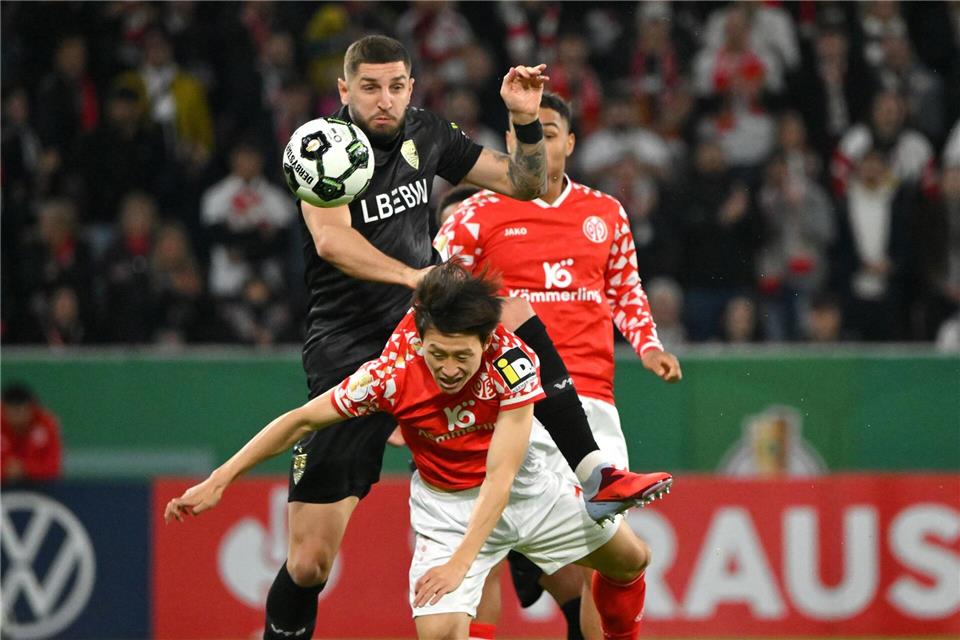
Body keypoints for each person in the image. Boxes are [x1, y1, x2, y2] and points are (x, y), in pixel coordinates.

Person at [242, 35, 665, 639]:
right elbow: (333, 242)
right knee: (310, 563)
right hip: (351, 348)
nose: (383, 100)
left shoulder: (427, 133)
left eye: (395, 86)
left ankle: (592, 469)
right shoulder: (323, 147)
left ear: (411, 87)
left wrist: (522, 117)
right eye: (368, 88)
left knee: (513, 312)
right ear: (343, 91)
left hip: (430, 326)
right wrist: (415, 275)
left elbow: (525, 183)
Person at [165, 263, 667, 640]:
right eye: (438, 353)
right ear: (421, 338)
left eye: (461, 355)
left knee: (630, 560)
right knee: (439, 633)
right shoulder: (389, 376)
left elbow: (502, 474)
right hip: (448, 509)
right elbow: (298, 421)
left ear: (488, 340)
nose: (448, 367)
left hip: (523, 491)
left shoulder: (513, 361)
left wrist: (459, 566)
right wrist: (220, 479)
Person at [436, 93, 682, 639]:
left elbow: (626, 292)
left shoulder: (605, 213)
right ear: (509, 144)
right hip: (505, 401)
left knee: (609, 556)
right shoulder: (475, 215)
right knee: (482, 552)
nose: (539, 143)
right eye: (527, 133)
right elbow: (435, 300)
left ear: (570, 143)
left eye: (549, 132)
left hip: (590, 402)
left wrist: (648, 347)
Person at [1, 383, 63, 483]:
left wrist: (26, 469)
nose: (17, 416)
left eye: (21, 410)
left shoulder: (47, 424)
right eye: (12, 411)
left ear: (31, 408)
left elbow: (53, 468)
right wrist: (4, 470)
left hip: (40, 490)